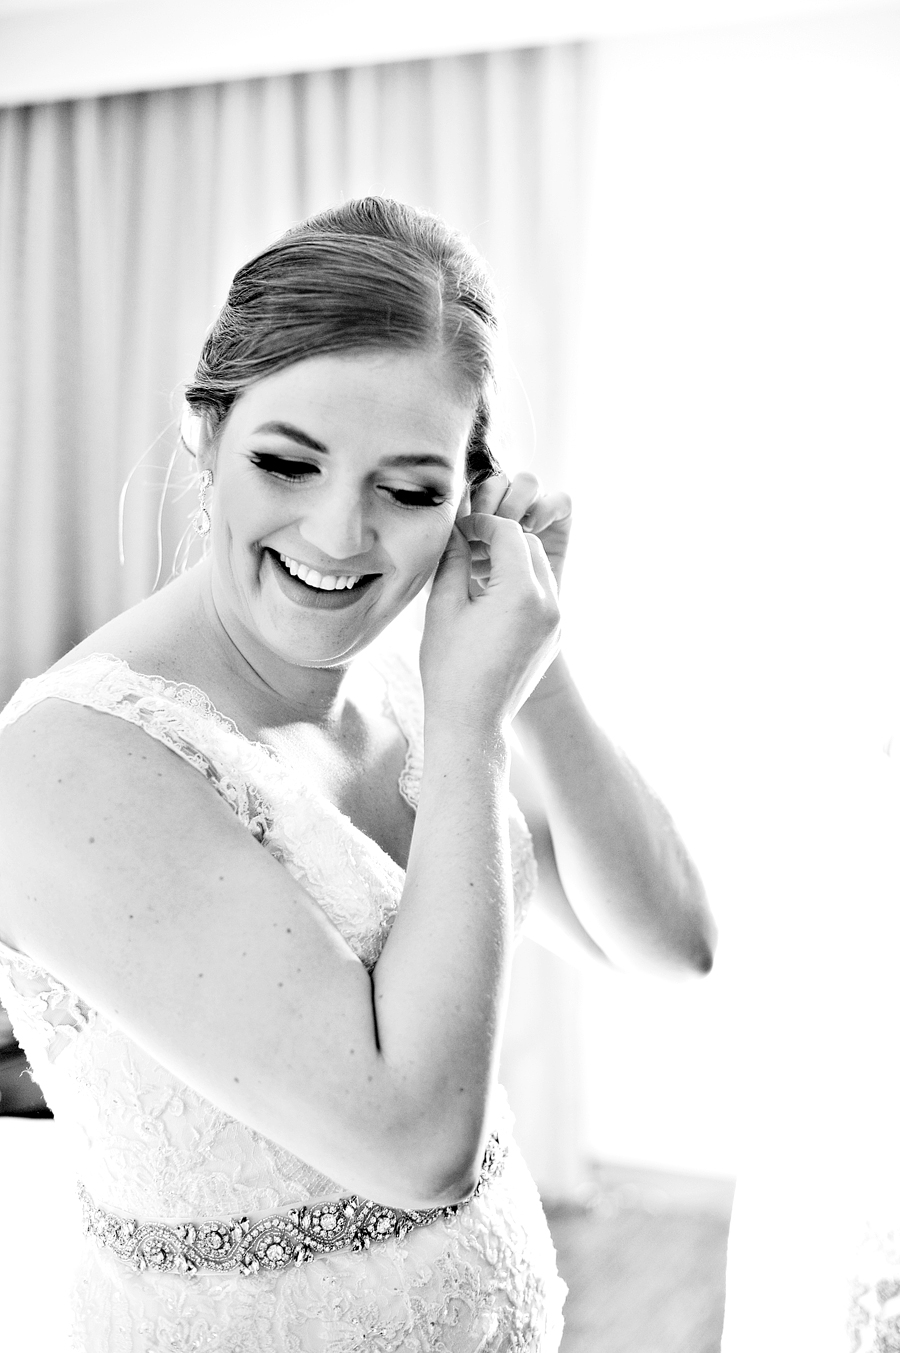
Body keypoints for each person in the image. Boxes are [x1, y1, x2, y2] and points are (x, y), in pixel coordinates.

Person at [0, 196, 715, 1352]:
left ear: (472, 495)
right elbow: (415, 1144)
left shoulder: (410, 679)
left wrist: (539, 659)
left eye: (412, 489)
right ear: (203, 435)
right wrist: (475, 722)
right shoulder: (67, 763)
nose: (339, 536)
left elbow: (671, 944)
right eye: (289, 462)